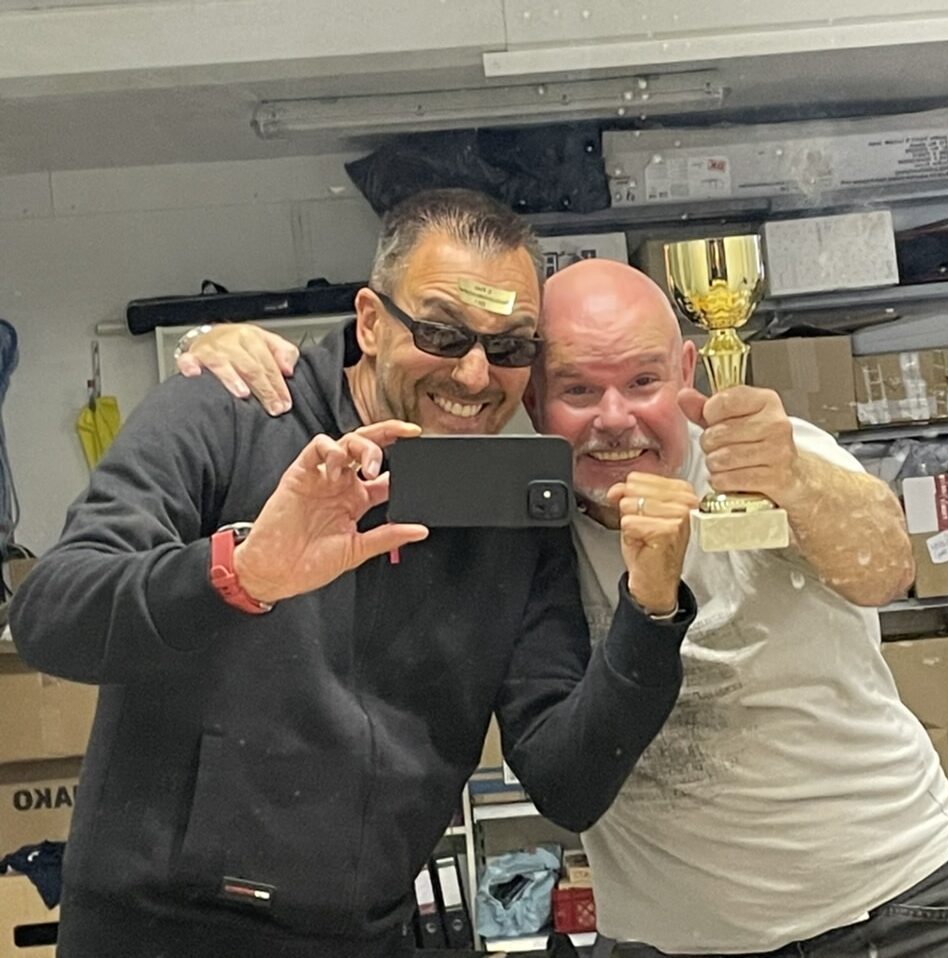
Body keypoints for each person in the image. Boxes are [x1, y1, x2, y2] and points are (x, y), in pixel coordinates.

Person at [191, 257, 948, 957]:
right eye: (579, 390)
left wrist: (796, 480)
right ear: (531, 401)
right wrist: (225, 349)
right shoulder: (520, 515)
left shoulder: (763, 458)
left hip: (901, 907)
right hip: (672, 941)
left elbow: (887, 569)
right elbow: (368, 415)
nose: (615, 419)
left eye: (642, 381)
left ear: (688, 371)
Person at [9, 190, 700, 958]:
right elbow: (50, 617)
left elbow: (568, 783)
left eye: (508, 347)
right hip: (158, 933)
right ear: (371, 321)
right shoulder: (230, 414)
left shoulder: (512, 509)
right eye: (441, 334)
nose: (475, 374)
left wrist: (651, 612)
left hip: (365, 933)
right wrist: (239, 573)